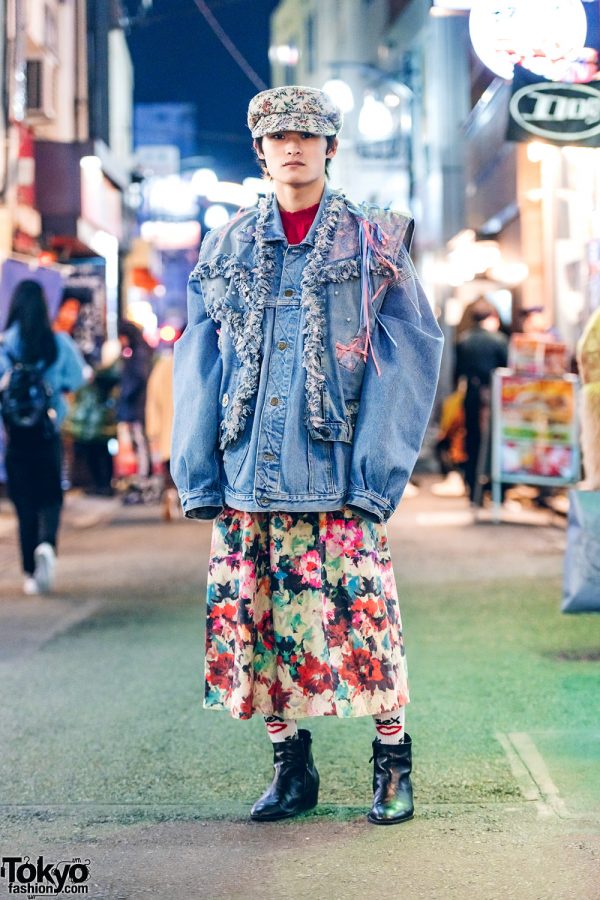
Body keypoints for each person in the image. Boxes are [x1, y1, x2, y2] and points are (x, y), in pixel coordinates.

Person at [171, 86, 444, 825]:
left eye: (308, 134)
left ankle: (392, 764)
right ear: (260, 151)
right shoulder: (224, 247)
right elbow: (197, 358)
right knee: (256, 628)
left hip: (338, 477)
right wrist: (197, 472)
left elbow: (412, 353)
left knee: (364, 622)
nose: (293, 146)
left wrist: (377, 474)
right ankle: (292, 769)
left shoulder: (373, 242)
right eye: (278, 136)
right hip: (246, 479)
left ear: (330, 147)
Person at [0, 280, 86, 594]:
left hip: (15, 438)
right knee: (50, 496)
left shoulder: (5, 345)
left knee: (23, 503)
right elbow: (78, 379)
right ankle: (47, 544)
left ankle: (29, 574)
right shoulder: (58, 343)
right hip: (48, 432)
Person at [455, 298, 508, 504]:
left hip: (471, 394)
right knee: (497, 441)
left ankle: (472, 491)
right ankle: (497, 492)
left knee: (472, 440)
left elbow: (457, 372)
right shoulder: (499, 340)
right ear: (492, 317)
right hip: (495, 396)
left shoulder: (463, 340)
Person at [116, 321, 152, 496]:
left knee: (139, 443)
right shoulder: (139, 352)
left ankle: (142, 479)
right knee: (138, 444)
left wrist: (125, 396)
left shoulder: (138, 354)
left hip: (136, 407)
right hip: (136, 407)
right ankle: (141, 478)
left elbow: (138, 378)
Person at [145, 346, 178, 520]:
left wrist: (153, 431)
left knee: (168, 466)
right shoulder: (190, 363)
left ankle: (170, 493)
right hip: (185, 427)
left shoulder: (161, 367)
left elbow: (152, 399)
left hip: (166, 427)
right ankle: (183, 497)